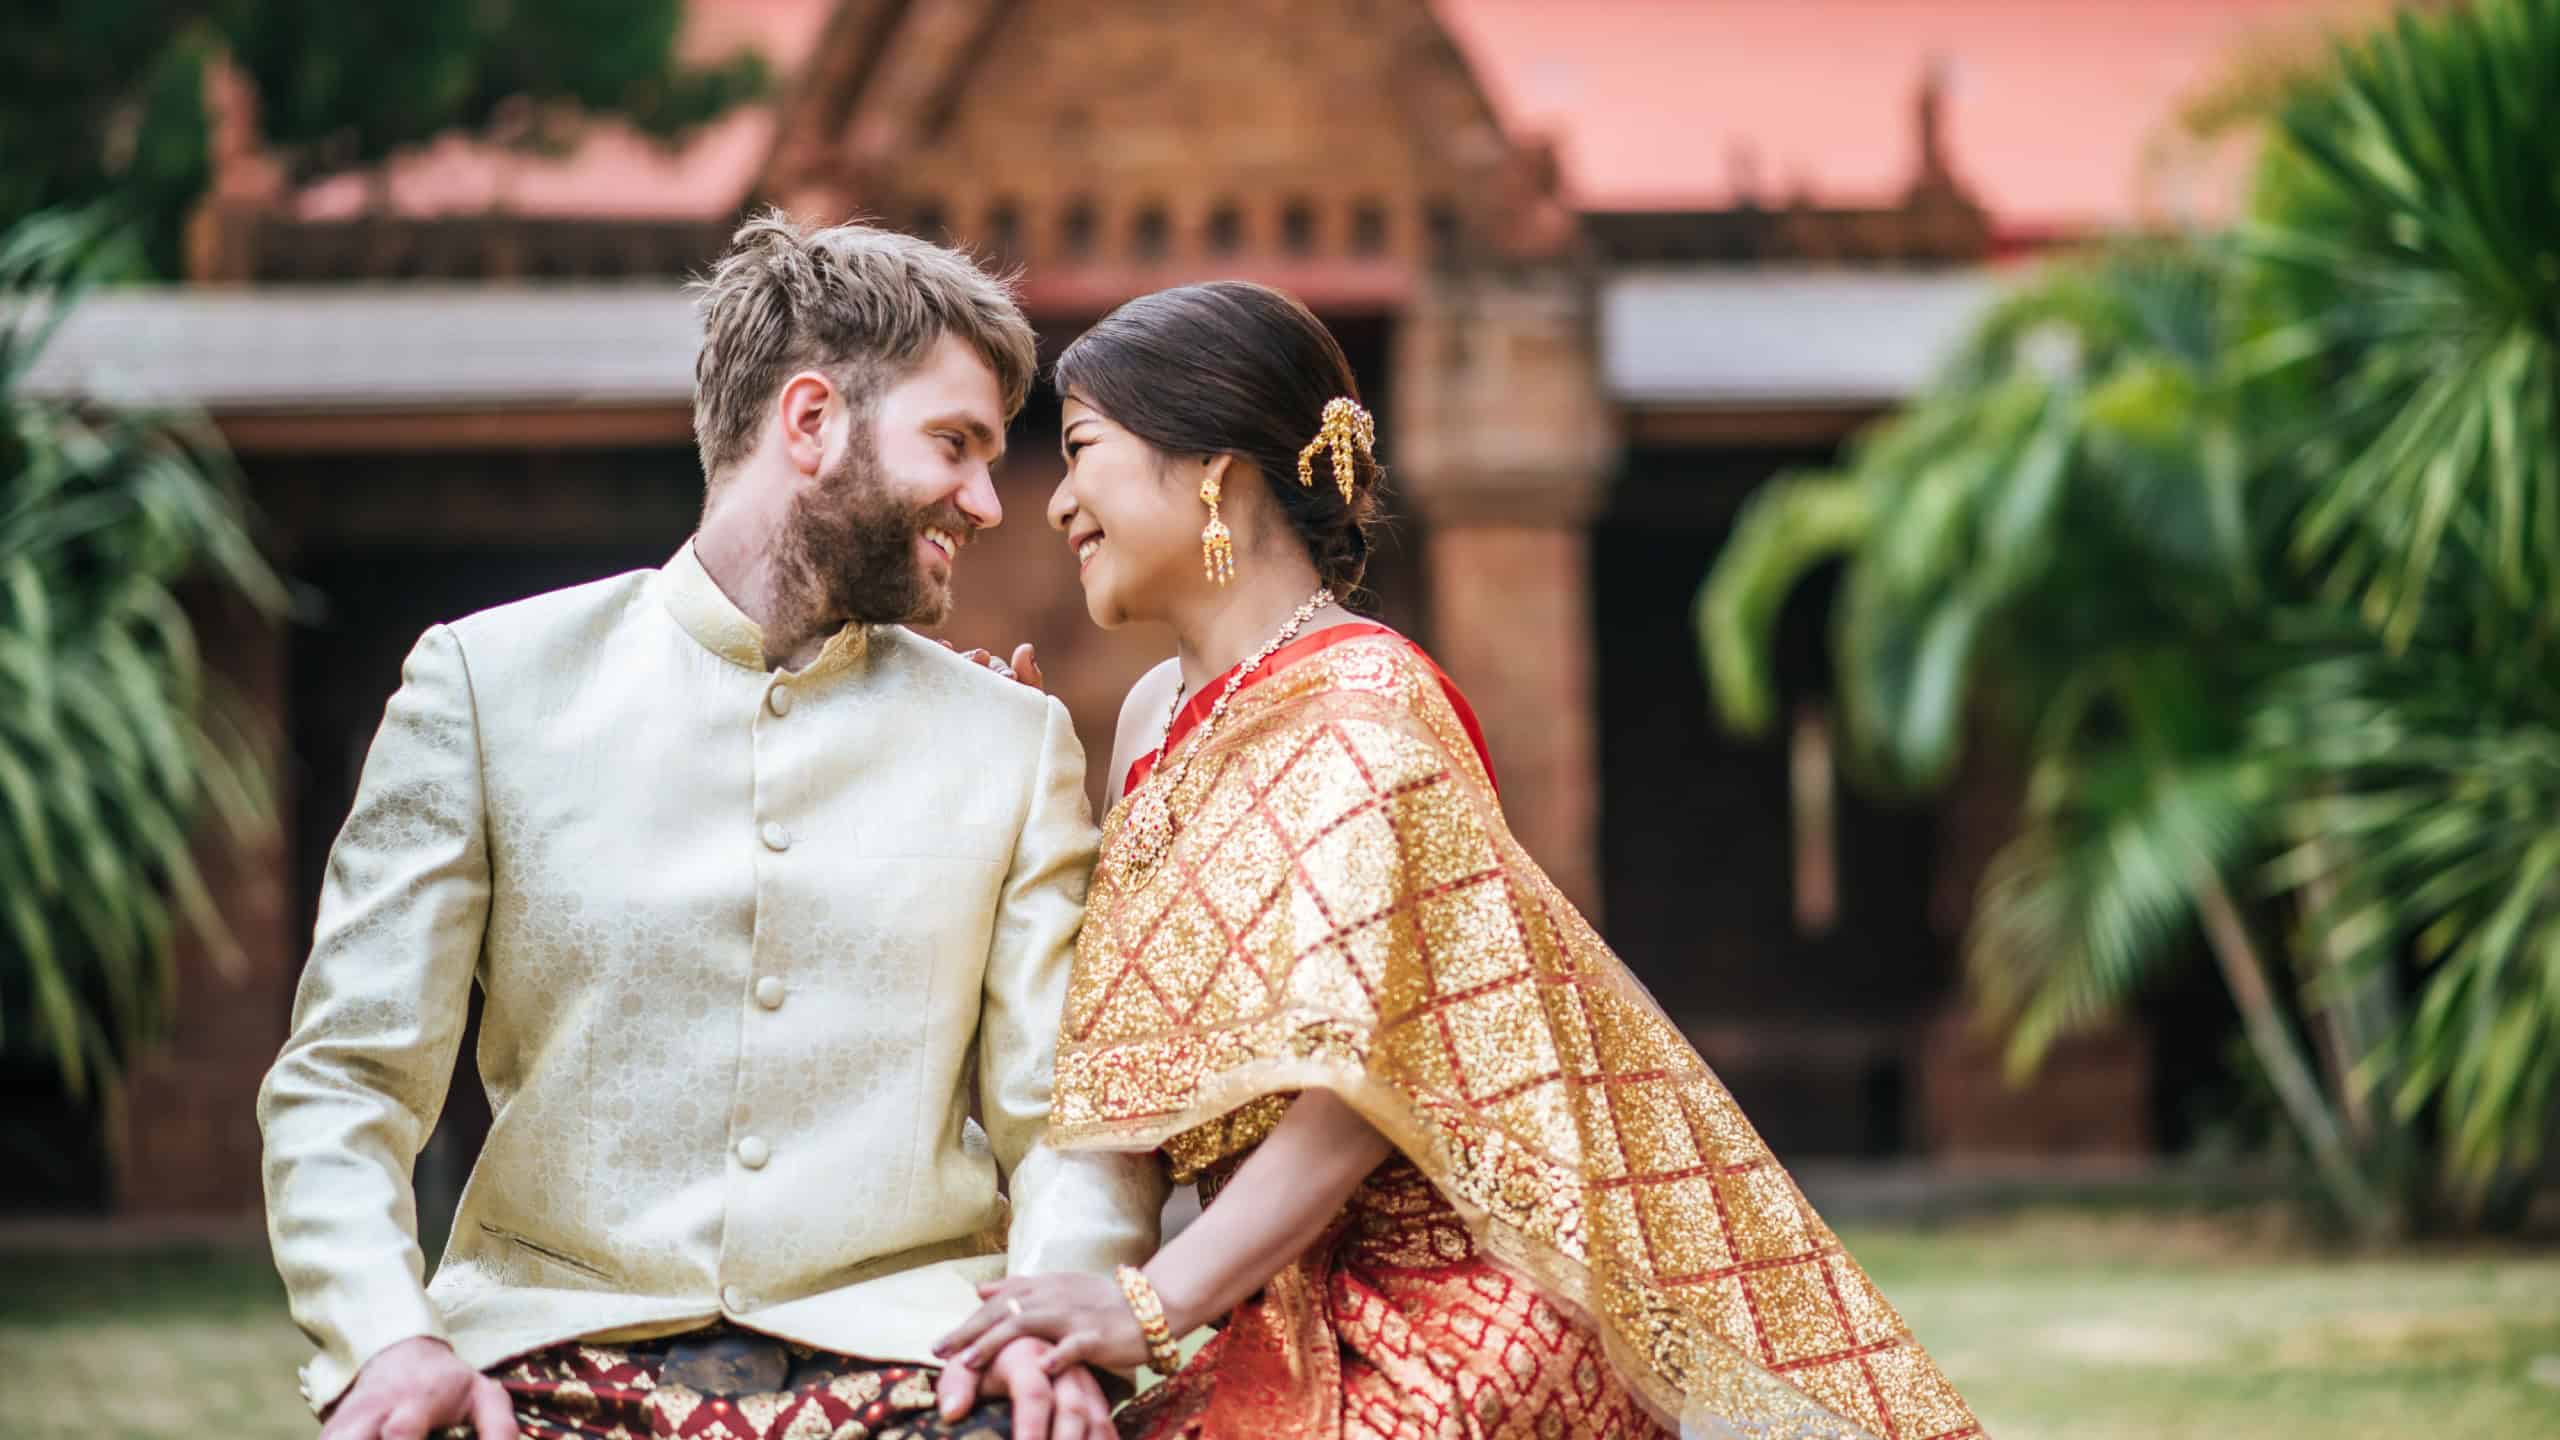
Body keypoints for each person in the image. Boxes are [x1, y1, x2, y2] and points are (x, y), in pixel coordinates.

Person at [930, 283, 1986, 1439]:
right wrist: (996, 786)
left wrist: (1153, 1302)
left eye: (1081, 453)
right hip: (1281, 1301)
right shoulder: (1152, 716)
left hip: (1459, 1312)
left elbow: (1358, 1088)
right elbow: (1131, 1028)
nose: (1060, 503)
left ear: (1214, 475)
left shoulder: (1370, 717)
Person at [257, 211, 1164, 1440]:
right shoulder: (488, 685)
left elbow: (1065, 1115)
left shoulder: (1010, 745)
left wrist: (1051, 1321)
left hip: (917, 1358)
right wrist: (385, 1340)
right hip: (541, 1351)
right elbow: (348, 1079)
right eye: (954, 444)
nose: (985, 500)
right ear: (809, 421)